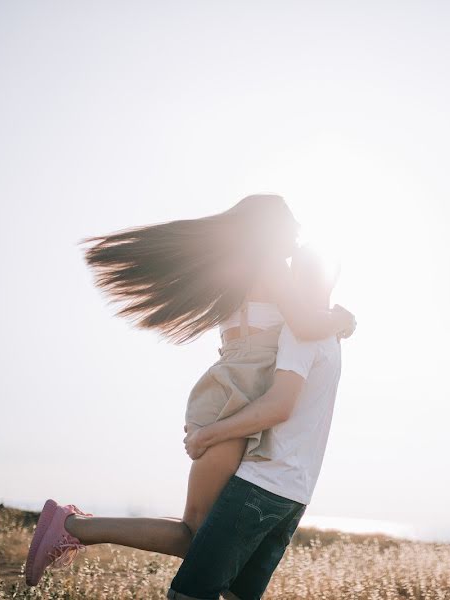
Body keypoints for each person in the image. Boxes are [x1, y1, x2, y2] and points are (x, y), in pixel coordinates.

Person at [24, 195, 355, 587]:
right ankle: (73, 525)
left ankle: (74, 525)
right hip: (234, 399)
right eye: (292, 222)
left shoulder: (245, 270)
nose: (299, 232)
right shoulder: (269, 266)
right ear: (270, 228)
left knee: (198, 533)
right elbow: (303, 321)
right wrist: (340, 319)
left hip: (230, 396)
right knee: (198, 537)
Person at [169, 246, 345, 600]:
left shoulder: (301, 331)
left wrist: (207, 434)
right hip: (295, 495)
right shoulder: (329, 336)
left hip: (261, 484)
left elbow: (279, 406)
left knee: (189, 586)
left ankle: (76, 528)